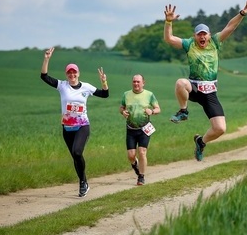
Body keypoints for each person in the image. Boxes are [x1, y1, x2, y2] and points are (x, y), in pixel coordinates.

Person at [163, 0, 247, 161]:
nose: (202, 37)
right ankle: (183, 111)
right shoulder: (189, 44)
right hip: (194, 87)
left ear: (209, 35)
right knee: (180, 83)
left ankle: (201, 141)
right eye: (199, 35)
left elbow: (230, 26)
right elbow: (169, 39)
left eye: (205, 34)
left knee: (220, 129)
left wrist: (242, 13)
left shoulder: (215, 42)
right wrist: (168, 22)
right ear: (195, 36)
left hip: (210, 92)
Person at [40, 47, 109, 197]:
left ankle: (82, 183)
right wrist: (47, 59)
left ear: (78, 73)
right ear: (66, 74)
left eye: (74, 72)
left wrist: (104, 82)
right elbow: (44, 77)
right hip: (67, 127)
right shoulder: (62, 85)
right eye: (69, 72)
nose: (72, 74)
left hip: (82, 125)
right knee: (75, 156)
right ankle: (84, 181)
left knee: (77, 152)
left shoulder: (86, 87)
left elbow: (105, 94)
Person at [119, 74, 160, 185]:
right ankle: (135, 164)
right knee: (131, 156)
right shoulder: (126, 94)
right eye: (134, 81)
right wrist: (123, 112)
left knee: (142, 152)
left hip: (144, 129)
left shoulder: (149, 95)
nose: (136, 84)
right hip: (131, 129)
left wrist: (152, 111)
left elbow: (158, 109)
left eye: (138, 81)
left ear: (143, 83)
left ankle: (141, 176)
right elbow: (121, 107)